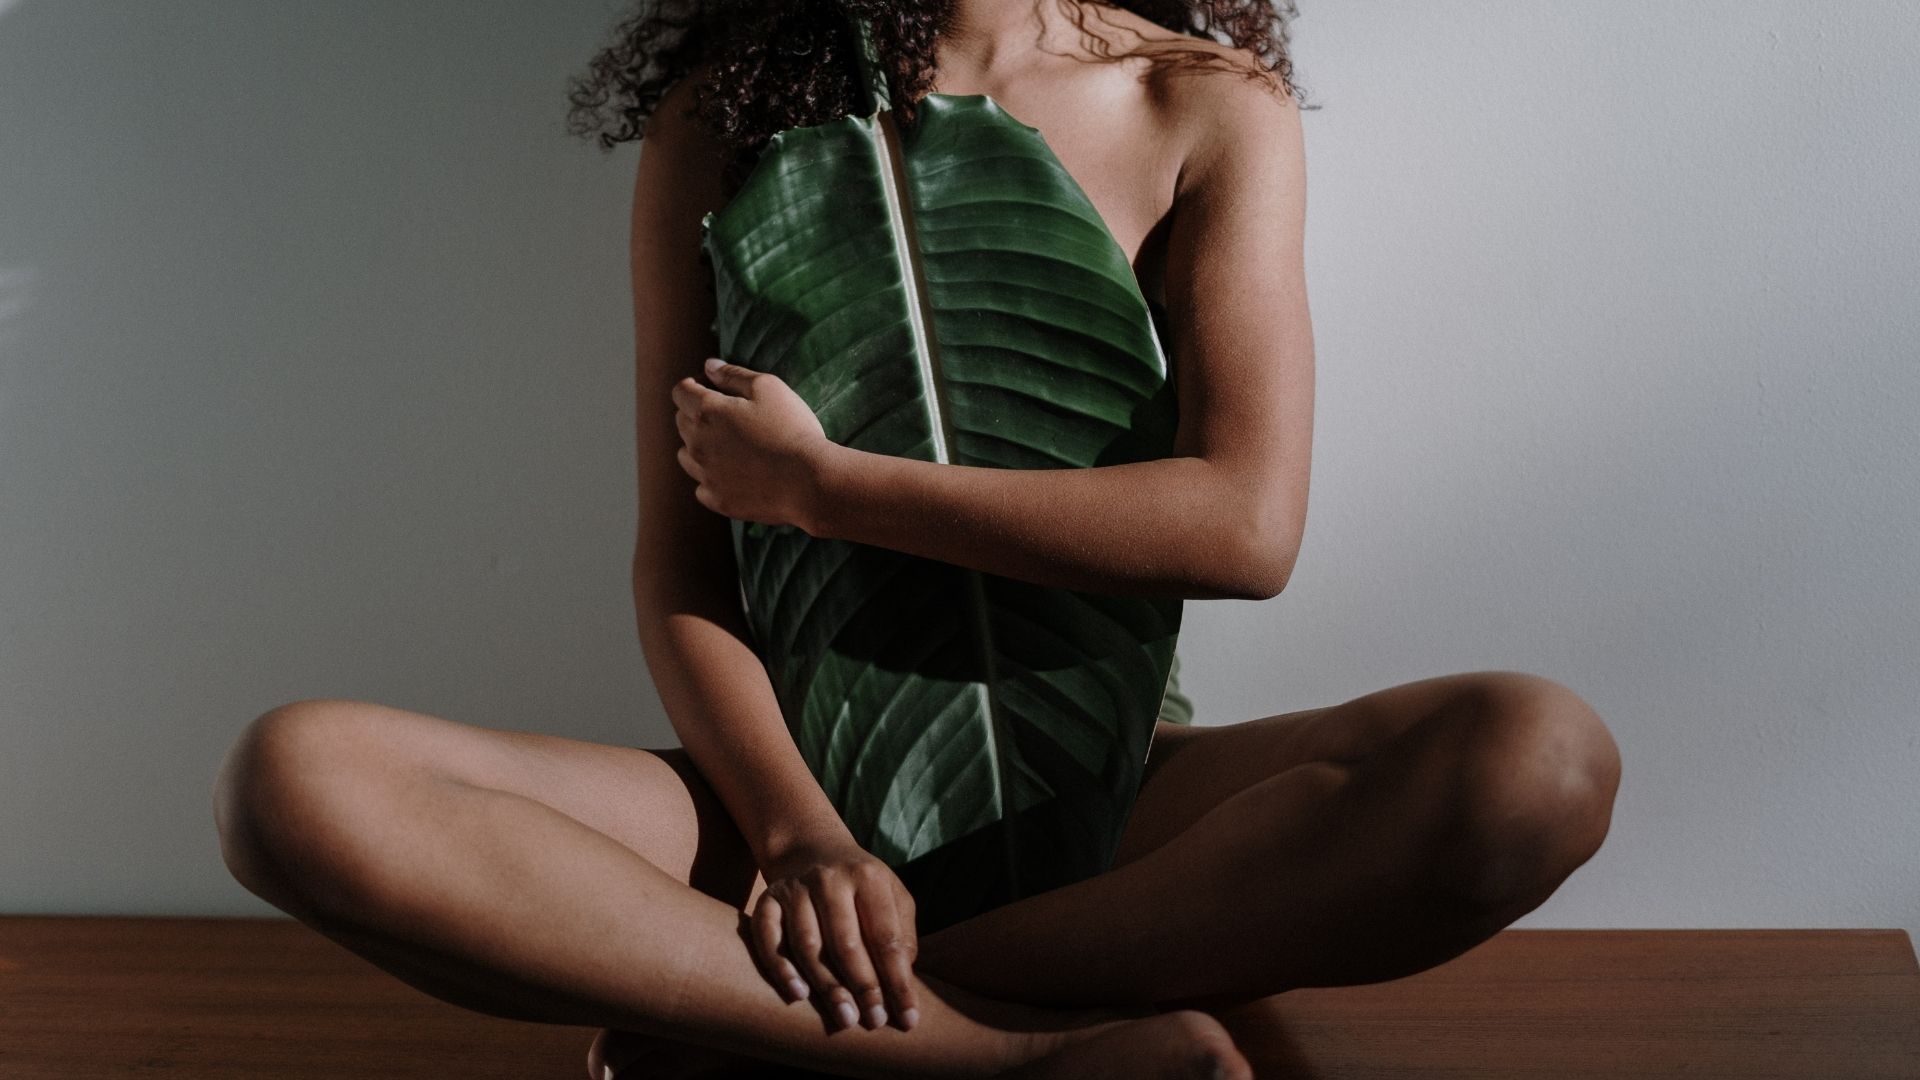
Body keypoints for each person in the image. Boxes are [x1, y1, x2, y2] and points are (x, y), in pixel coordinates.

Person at [213, 3, 1623, 1078]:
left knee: (1536, 764)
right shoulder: (727, 118)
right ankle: (1006, 1052)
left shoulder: (1200, 108)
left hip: (1109, 788)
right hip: (790, 793)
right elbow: (685, 572)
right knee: (295, 781)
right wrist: (803, 836)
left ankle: (788, 1022)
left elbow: (1244, 525)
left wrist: (829, 490)